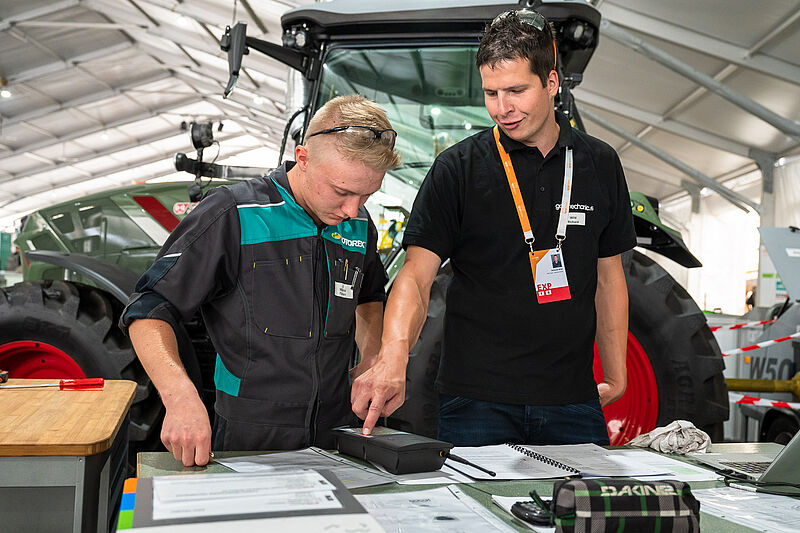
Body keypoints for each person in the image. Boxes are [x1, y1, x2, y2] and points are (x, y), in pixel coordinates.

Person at [352, 9, 635, 446]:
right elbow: (417, 276)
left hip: (572, 401)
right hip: (475, 403)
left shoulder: (600, 163)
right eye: (491, 93)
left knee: (582, 494)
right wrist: (393, 356)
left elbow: (609, 276)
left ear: (552, 82)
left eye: (517, 91)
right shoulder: (457, 168)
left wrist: (616, 372)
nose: (503, 108)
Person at [120, 95, 401, 465]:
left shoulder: (358, 224)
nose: (352, 209)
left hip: (337, 431)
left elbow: (369, 295)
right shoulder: (234, 213)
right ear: (303, 158)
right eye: (342, 192)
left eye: (366, 195)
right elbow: (149, 309)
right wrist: (179, 396)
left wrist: (372, 357)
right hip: (250, 433)